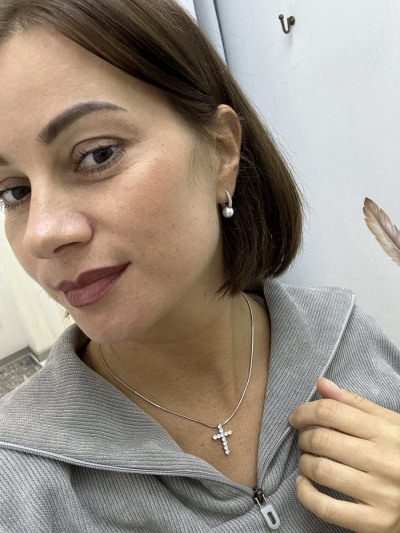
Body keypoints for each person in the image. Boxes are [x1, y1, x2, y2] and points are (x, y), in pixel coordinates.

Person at [0, 1, 399, 531]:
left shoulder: (350, 342)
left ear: (221, 150)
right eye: (14, 192)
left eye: (97, 155)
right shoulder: (21, 484)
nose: (42, 233)